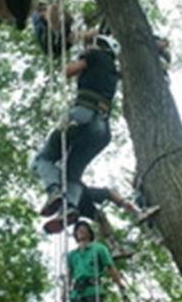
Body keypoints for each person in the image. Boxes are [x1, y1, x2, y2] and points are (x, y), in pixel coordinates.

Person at [31, 34, 120, 231]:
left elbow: (68, 71)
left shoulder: (96, 55)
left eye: (89, 45)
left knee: (42, 159)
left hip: (82, 116)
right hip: (102, 130)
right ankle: (70, 207)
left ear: (99, 46)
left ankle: (54, 190)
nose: (86, 48)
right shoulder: (113, 72)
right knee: (72, 174)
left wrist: (77, 60)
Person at [44, 184, 161, 259]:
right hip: (79, 191)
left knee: (100, 217)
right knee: (108, 193)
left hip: (78, 202)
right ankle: (138, 212)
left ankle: (114, 247)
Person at [66, 221, 130, 302]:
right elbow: (69, 274)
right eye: (78, 230)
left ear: (89, 233)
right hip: (76, 294)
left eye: (83, 228)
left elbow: (111, 268)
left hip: (93, 291)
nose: (80, 230)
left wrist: (121, 287)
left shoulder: (99, 249)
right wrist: (64, 292)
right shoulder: (72, 254)